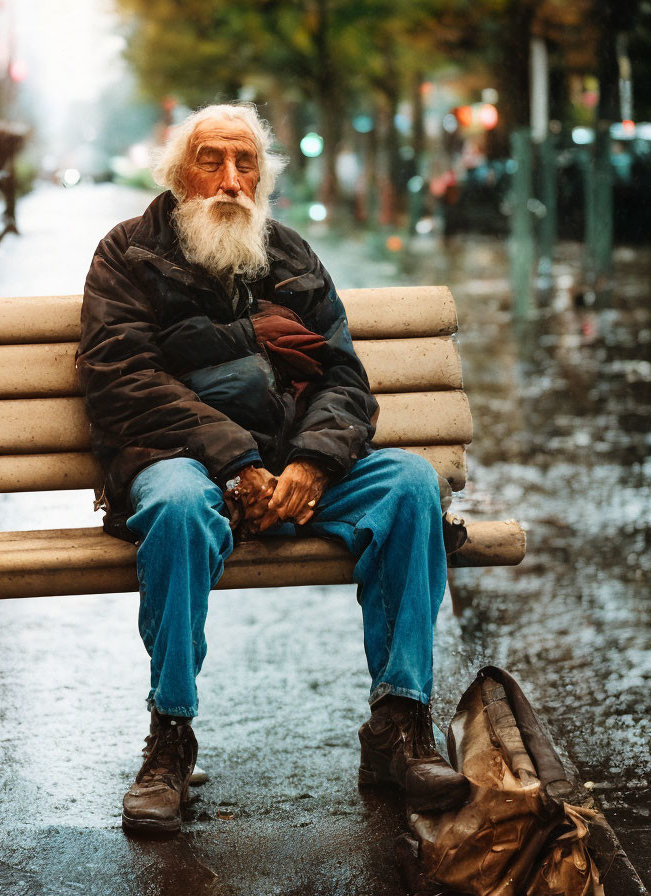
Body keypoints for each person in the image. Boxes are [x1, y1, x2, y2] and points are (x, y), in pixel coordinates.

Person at [76, 103, 468, 836]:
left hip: (295, 469)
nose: (230, 180)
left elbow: (344, 381)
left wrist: (316, 465)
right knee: (176, 507)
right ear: (177, 173)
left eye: (245, 162)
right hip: (185, 467)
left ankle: (399, 724)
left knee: (412, 486)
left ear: (262, 176)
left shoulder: (289, 255)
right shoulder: (129, 253)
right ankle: (170, 737)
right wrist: (240, 465)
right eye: (211, 160)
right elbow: (123, 380)